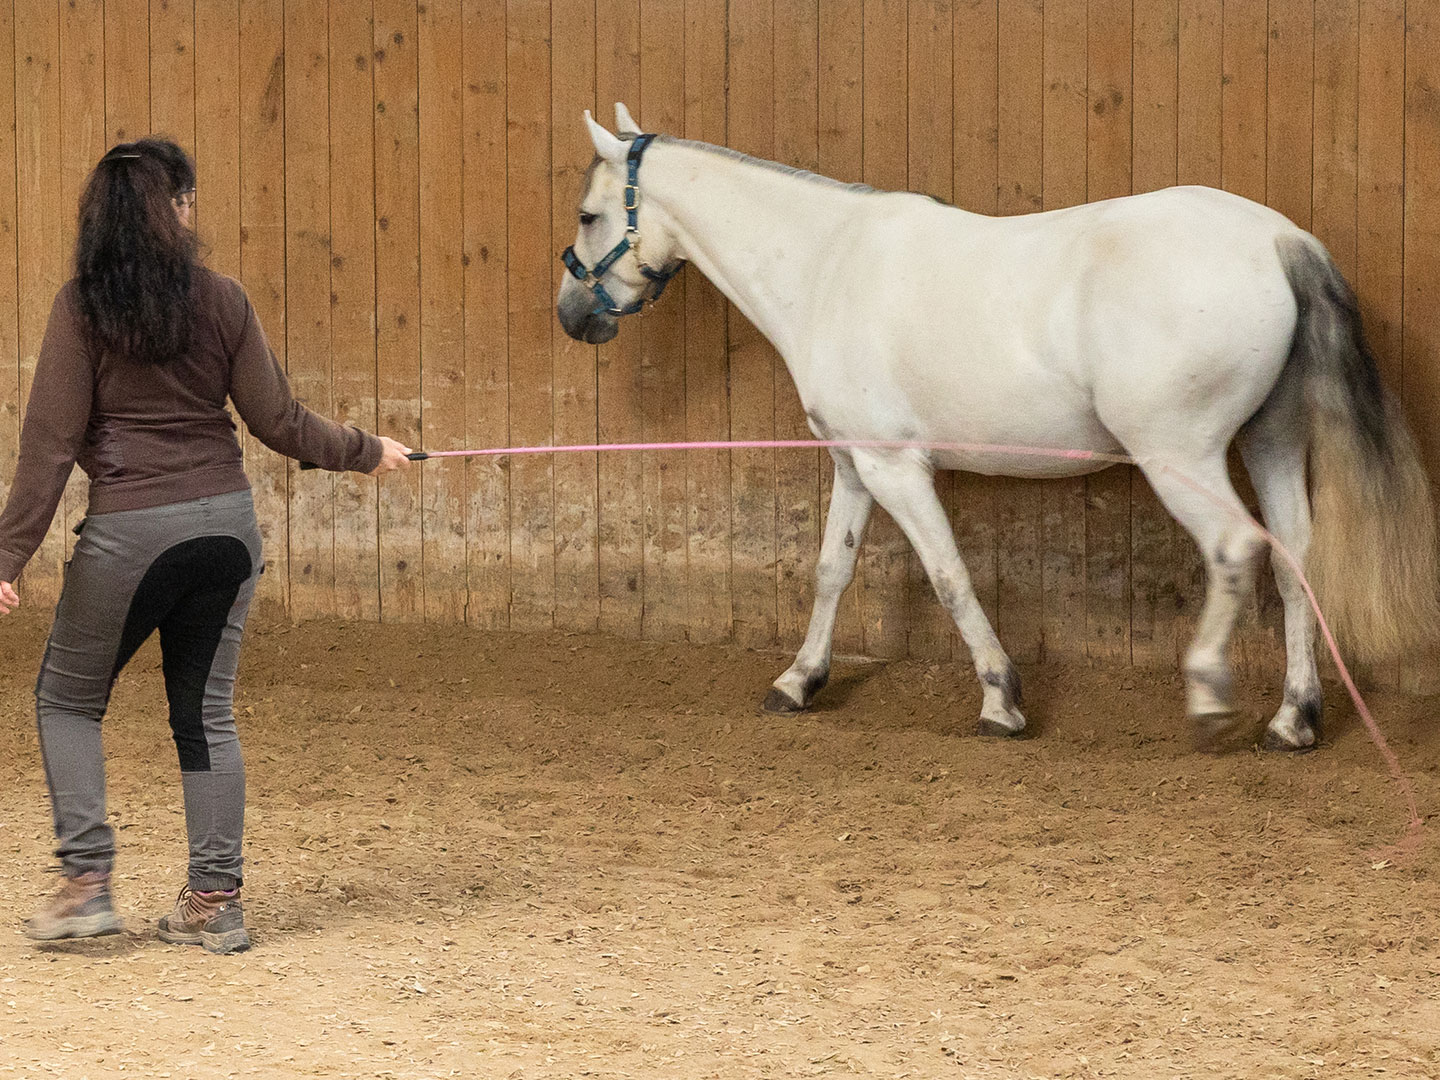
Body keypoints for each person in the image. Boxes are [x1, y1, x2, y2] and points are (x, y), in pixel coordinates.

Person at [0, 138, 412, 954]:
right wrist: (369, 449)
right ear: (176, 210)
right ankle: (214, 901)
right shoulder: (223, 298)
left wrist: (5, 556)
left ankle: (87, 882)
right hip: (228, 526)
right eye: (187, 201)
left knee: (67, 699)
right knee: (205, 712)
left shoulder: (80, 308)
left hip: (131, 531)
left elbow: (49, 441)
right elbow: (280, 422)